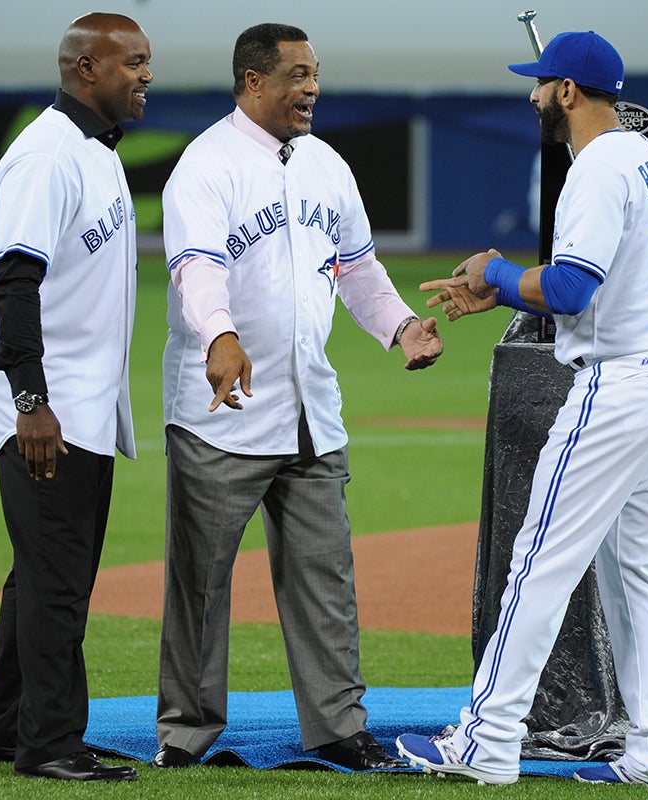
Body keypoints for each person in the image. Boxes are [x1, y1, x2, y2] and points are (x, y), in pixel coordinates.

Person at [396, 30, 648, 786]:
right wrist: (500, 288)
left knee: (540, 563)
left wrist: (497, 268)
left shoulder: (599, 166)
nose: (533, 95)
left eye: (541, 84)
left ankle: (487, 739)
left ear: (567, 91)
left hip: (621, 387)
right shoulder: (647, 159)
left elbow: (572, 289)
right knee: (637, 576)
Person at [154, 22, 443, 772]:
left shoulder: (326, 166)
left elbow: (360, 271)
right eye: (298, 75)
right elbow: (196, 269)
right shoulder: (205, 166)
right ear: (254, 81)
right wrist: (219, 336)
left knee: (325, 582)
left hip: (312, 409)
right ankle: (184, 734)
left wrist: (401, 325)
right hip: (224, 413)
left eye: (316, 74)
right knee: (201, 585)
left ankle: (338, 727)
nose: (313, 87)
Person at [0, 12, 151, 782]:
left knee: (41, 570)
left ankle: (7, 726)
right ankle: (50, 744)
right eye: (132, 63)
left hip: (79, 397)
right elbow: (14, 279)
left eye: (147, 62)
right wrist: (30, 400)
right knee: (58, 578)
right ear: (85, 68)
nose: (145, 75)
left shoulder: (92, 150)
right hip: (49, 404)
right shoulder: (47, 157)